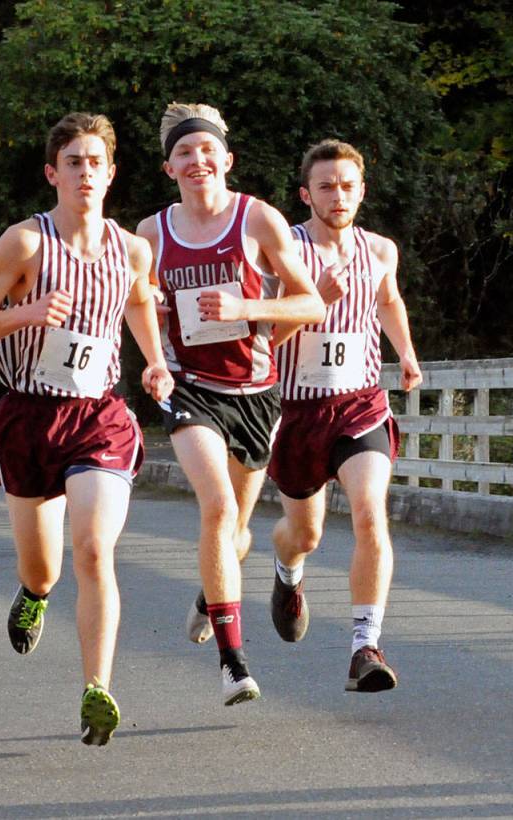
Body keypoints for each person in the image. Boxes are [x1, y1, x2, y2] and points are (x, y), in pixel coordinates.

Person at [0, 112, 174, 746]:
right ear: (53, 173)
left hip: (98, 415)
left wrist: (155, 362)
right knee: (45, 568)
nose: (84, 172)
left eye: (94, 162)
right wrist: (24, 313)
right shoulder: (24, 243)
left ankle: (96, 687)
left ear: (111, 173)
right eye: (72, 162)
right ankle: (32, 592)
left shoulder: (132, 248)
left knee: (94, 550)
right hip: (27, 416)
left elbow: (136, 299)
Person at [136, 103, 325, 706]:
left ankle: (209, 591)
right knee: (217, 507)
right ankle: (232, 661)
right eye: (185, 153)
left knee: (237, 531)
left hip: (255, 393)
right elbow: (134, 306)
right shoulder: (149, 234)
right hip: (190, 389)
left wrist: (247, 309)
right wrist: (153, 356)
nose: (197, 161)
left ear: (227, 158)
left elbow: (310, 305)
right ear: (170, 167)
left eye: (206, 150)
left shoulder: (258, 220)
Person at [268, 139, 421, 692]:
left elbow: (388, 300)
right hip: (298, 411)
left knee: (369, 513)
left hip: (360, 403)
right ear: (306, 194)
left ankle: (365, 647)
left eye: (348, 185)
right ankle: (288, 573)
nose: (338, 195)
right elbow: (263, 339)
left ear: (362, 190)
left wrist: (404, 351)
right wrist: (318, 302)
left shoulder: (380, 249)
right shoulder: (282, 249)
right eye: (326, 186)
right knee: (303, 534)